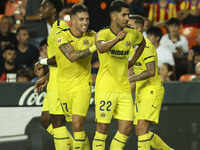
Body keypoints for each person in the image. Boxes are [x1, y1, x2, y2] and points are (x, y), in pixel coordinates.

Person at [92, 1, 146, 150]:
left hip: (124, 88)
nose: (127, 18)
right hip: (105, 88)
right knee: (102, 129)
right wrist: (117, 39)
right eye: (123, 15)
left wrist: (133, 60)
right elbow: (101, 48)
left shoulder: (132, 33)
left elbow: (142, 43)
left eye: (128, 14)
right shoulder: (103, 33)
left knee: (127, 128)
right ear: (113, 16)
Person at [54, 4, 99, 150]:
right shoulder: (61, 35)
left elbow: (107, 38)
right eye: (81, 19)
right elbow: (71, 56)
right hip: (63, 86)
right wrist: (94, 47)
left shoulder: (92, 35)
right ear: (72, 20)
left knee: (78, 124)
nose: (85, 22)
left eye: (87, 19)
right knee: (74, 126)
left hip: (82, 85)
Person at [128, 14, 174, 150]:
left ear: (139, 28)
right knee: (140, 132)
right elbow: (133, 72)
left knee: (141, 128)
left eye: (130, 27)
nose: (127, 29)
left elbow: (151, 71)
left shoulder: (146, 46)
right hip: (141, 91)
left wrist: (130, 79)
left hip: (152, 89)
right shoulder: (131, 47)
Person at [35, 0, 74, 150]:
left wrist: (41, 62)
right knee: (45, 121)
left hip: (60, 84)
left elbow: (65, 57)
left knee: (58, 125)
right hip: (54, 82)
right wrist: (47, 77)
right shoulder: (53, 29)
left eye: (44, 6)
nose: (40, 8)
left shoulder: (60, 28)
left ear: (53, 11)